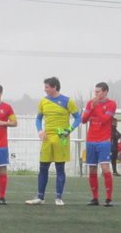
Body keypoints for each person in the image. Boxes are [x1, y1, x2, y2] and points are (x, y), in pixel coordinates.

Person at [25, 76, 80, 206]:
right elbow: (38, 119)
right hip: (47, 137)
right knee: (43, 167)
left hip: (61, 136)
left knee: (60, 168)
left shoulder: (67, 101)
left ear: (55, 87)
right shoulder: (43, 102)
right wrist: (40, 130)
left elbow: (78, 118)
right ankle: (40, 197)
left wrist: (69, 129)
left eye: (47, 87)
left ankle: (59, 197)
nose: (45, 90)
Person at [81, 81, 117, 206]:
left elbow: (104, 119)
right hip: (91, 140)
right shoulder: (90, 103)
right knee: (92, 168)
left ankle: (108, 198)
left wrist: (95, 107)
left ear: (105, 92)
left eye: (98, 92)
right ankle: (94, 198)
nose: (96, 94)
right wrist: (91, 107)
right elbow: (83, 120)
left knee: (105, 167)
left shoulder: (111, 104)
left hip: (104, 140)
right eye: (95, 92)